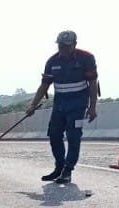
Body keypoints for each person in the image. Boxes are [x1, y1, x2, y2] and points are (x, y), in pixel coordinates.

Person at [25, 30, 98, 184]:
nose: (63, 49)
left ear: (74, 45)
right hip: (59, 105)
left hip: (78, 104)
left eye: (66, 46)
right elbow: (44, 85)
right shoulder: (52, 62)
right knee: (54, 135)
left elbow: (92, 84)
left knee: (73, 136)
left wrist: (92, 107)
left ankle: (67, 170)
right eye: (60, 46)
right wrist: (32, 105)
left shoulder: (86, 58)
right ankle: (59, 166)